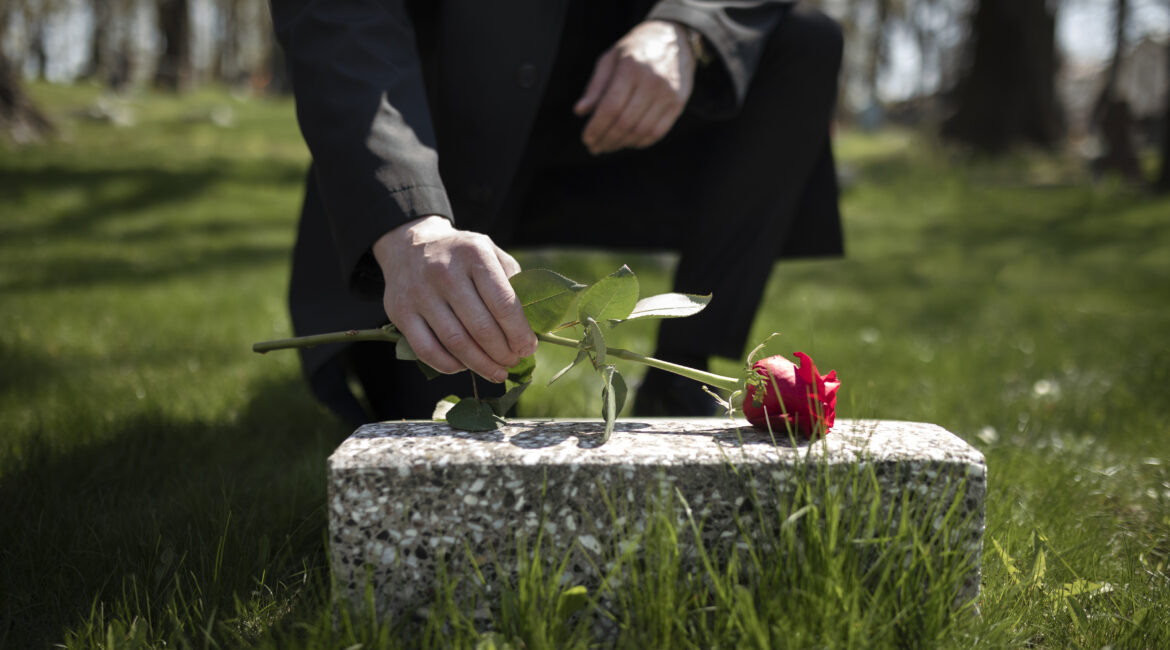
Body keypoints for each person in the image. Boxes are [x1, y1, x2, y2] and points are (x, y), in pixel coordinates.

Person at [271, 0, 845, 425]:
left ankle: (683, 374)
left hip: (616, 135)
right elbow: (343, 21)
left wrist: (687, 25)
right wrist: (407, 221)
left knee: (803, 38)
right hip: (443, 158)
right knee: (439, 403)